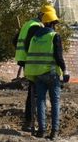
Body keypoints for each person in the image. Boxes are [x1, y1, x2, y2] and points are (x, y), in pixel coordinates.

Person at [24, 9, 69, 140]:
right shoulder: (54, 36)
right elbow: (58, 56)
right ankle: (54, 131)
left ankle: (41, 131)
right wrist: (65, 70)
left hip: (38, 74)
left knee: (41, 102)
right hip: (52, 74)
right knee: (55, 102)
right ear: (52, 23)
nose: (55, 25)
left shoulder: (35, 38)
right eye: (55, 23)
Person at [15, 3, 56, 131]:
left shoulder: (29, 24)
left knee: (33, 93)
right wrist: (32, 58)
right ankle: (29, 123)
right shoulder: (36, 27)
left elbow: (15, 40)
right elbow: (30, 44)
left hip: (26, 60)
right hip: (32, 63)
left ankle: (29, 122)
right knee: (33, 94)